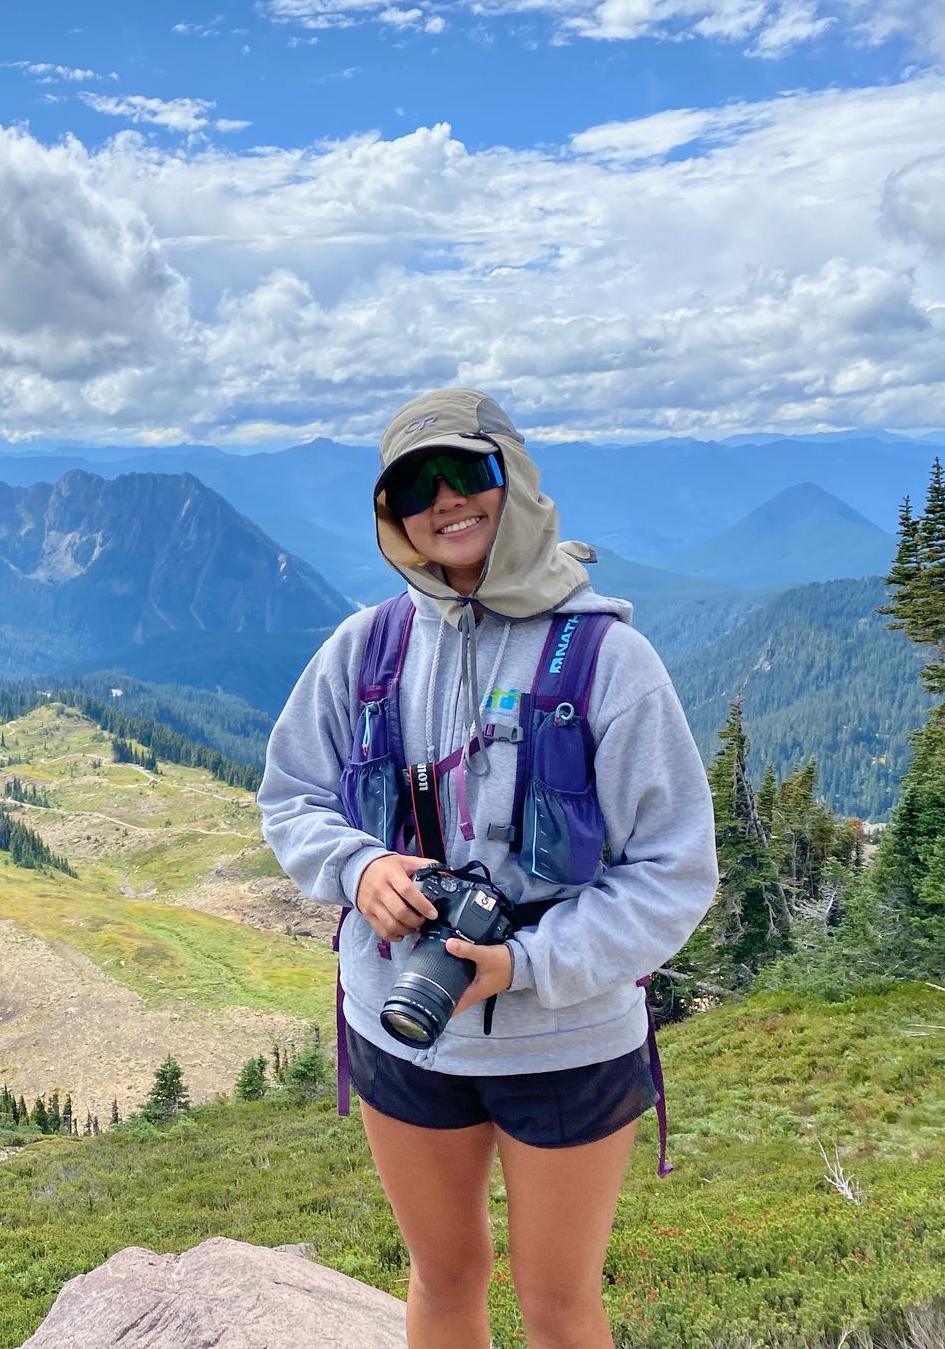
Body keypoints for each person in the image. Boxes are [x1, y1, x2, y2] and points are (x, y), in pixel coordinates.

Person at [260, 387, 718, 1349]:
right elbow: (291, 795)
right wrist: (360, 868)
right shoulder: (365, 648)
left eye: (466, 471)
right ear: (391, 515)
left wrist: (524, 965)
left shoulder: (610, 660)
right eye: (412, 487)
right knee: (442, 1279)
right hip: (402, 1023)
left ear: (514, 477)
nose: (443, 500)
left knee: (559, 1309)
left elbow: (675, 871)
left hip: (566, 1039)